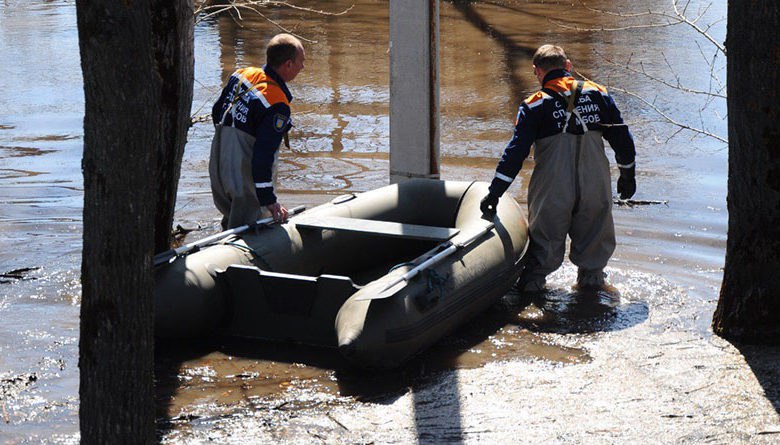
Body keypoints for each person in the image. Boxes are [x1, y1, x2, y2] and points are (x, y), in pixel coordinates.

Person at [480, 44, 636, 292]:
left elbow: (515, 153)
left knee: (542, 249)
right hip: (594, 182)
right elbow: (622, 138)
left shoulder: (534, 105)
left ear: (537, 72)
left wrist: (495, 192)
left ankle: (532, 296)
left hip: (553, 187)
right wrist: (628, 174)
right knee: (594, 247)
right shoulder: (599, 95)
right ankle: (592, 300)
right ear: (568, 67)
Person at [209, 33, 305, 229]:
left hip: (218, 162)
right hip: (242, 172)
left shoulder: (241, 74)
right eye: (300, 62)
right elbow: (263, 156)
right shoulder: (277, 104)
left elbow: (216, 111)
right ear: (288, 64)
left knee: (231, 219)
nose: (302, 67)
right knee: (252, 224)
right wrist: (269, 200)